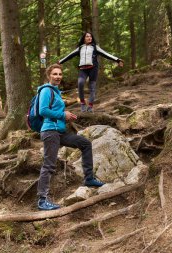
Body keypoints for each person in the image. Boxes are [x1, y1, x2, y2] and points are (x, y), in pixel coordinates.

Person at [37, 64, 104, 211]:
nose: (58, 76)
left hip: (60, 131)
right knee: (49, 165)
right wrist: (63, 115)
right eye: (55, 74)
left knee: (85, 144)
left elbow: (55, 110)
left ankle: (89, 179)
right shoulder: (46, 91)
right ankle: (42, 200)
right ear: (49, 76)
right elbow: (43, 111)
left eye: (60, 74)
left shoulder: (56, 92)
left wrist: (66, 118)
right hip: (50, 132)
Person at [58, 32, 123, 112]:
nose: (89, 38)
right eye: (87, 36)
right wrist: (60, 61)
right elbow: (70, 55)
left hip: (93, 69)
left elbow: (106, 54)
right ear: (84, 38)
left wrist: (117, 60)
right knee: (80, 83)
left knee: (92, 88)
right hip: (83, 69)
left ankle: (90, 106)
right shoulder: (80, 48)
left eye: (90, 37)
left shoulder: (95, 47)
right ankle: (82, 104)